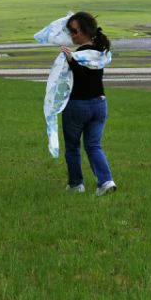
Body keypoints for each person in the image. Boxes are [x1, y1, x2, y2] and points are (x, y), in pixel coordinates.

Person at [60, 11, 116, 196]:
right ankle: (106, 181)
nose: (72, 36)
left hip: (78, 105)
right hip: (100, 105)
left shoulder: (80, 55)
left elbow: (82, 76)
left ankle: (76, 184)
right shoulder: (101, 52)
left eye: (74, 31)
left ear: (84, 31)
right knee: (93, 145)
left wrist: (71, 60)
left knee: (73, 146)